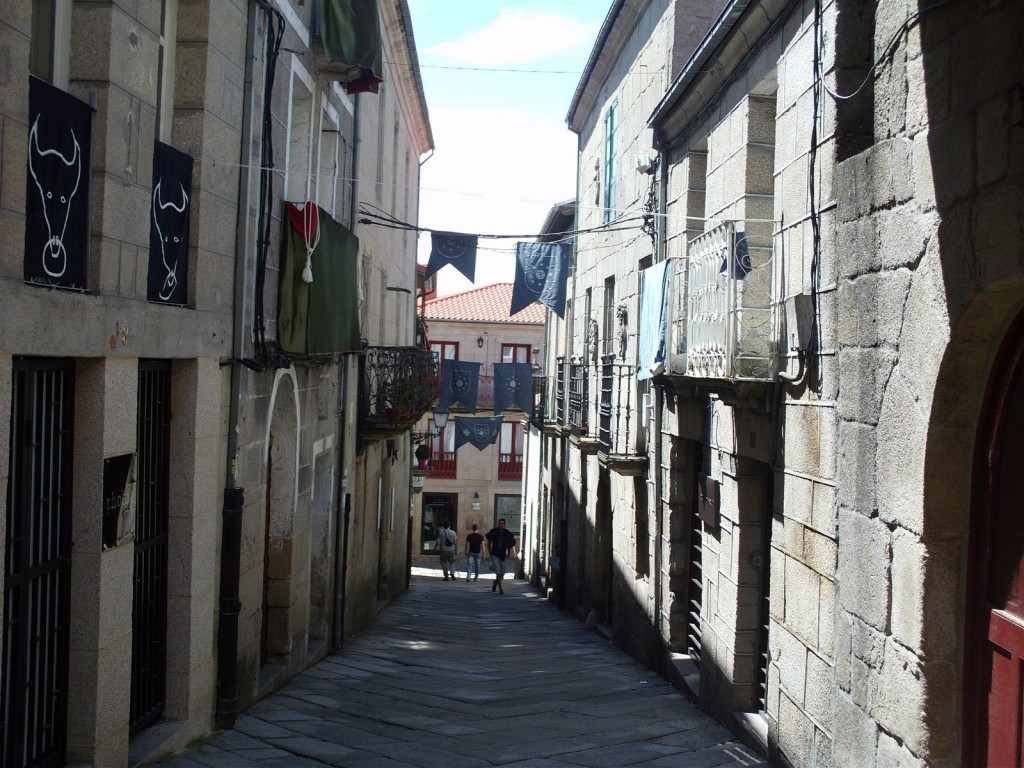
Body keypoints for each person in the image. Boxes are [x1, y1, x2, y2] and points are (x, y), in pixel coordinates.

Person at [485, 518, 516, 594]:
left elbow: (511, 543)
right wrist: (490, 553)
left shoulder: (507, 533)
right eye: (500, 523)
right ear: (498, 524)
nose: (501, 525)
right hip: (495, 554)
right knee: (498, 572)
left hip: (503, 555)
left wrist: (509, 553)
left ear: (504, 525)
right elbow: (489, 542)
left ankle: (495, 582)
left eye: (502, 523)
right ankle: (501, 589)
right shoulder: (494, 532)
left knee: (503, 572)